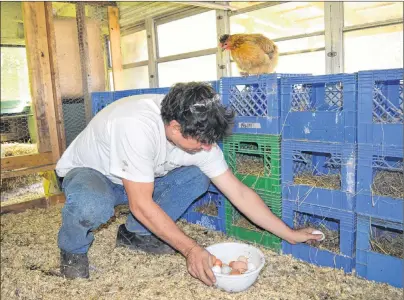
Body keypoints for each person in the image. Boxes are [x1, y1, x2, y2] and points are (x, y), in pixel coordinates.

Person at [55, 82, 322, 285]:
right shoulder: (135, 126)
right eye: (202, 142)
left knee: (198, 175)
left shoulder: (198, 131)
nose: (207, 147)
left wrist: (289, 233)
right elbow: (140, 203)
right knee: (92, 205)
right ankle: (72, 250)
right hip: (94, 173)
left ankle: (134, 235)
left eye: (210, 141)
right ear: (174, 127)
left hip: (142, 178)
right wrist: (192, 249)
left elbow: (238, 191)